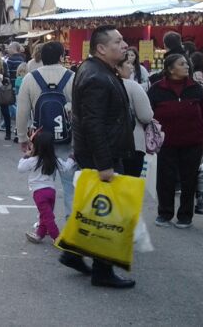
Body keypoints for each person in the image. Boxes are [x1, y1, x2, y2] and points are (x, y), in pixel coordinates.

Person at [64, 25, 136, 289]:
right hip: (102, 156)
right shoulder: (96, 75)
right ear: (101, 48)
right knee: (107, 213)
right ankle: (102, 271)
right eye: (118, 41)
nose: (125, 45)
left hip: (99, 152)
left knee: (94, 207)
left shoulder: (99, 70)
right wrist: (105, 164)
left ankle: (71, 252)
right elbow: (93, 123)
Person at [148, 53, 203, 228]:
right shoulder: (156, 89)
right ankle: (164, 213)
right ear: (170, 69)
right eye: (182, 64)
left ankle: (185, 215)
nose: (186, 67)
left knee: (189, 179)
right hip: (165, 144)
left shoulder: (196, 89)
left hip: (193, 142)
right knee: (165, 179)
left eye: (187, 64)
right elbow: (147, 115)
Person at [16, 42, 75, 212]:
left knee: (43, 184)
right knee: (69, 184)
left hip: (41, 139)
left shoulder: (30, 78)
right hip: (66, 138)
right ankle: (70, 224)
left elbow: (23, 111)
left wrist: (22, 138)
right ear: (61, 57)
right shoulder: (71, 77)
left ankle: (44, 222)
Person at [19, 130, 74, 243]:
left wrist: (26, 155)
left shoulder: (33, 160)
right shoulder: (53, 159)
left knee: (47, 217)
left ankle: (57, 237)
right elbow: (66, 167)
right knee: (46, 215)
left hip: (39, 193)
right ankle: (39, 234)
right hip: (51, 192)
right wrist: (71, 159)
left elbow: (20, 168)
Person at [118, 59, 153, 177]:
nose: (131, 67)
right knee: (130, 186)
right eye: (127, 63)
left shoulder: (100, 83)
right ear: (117, 68)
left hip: (107, 146)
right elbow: (146, 116)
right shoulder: (132, 86)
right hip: (133, 143)